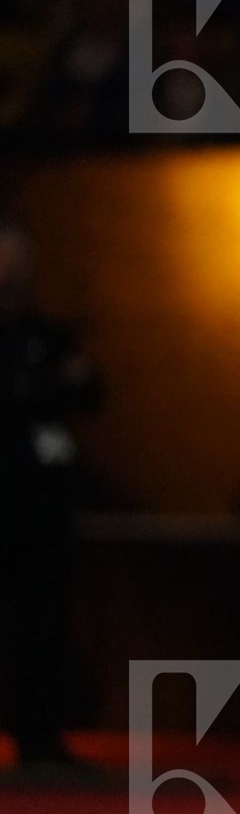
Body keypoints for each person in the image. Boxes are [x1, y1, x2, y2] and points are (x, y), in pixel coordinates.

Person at [0, 221, 100, 784]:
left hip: (46, 506)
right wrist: (41, 387)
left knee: (45, 617)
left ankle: (42, 734)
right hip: (6, 498)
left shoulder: (45, 332)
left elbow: (89, 387)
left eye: (22, 259)